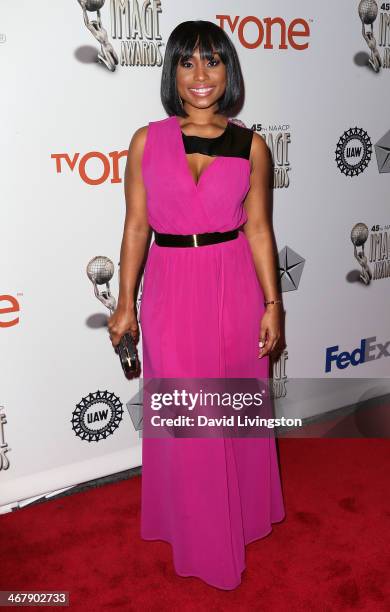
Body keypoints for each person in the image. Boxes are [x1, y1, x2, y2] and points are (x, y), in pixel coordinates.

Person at [108, 20, 286, 590]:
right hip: (171, 284)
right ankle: (207, 542)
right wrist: (124, 303)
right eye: (188, 63)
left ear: (228, 71)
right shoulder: (147, 141)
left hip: (234, 284)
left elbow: (259, 229)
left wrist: (273, 303)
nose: (201, 75)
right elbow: (136, 226)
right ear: (173, 74)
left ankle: (247, 515)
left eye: (213, 61)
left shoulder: (251, 145)